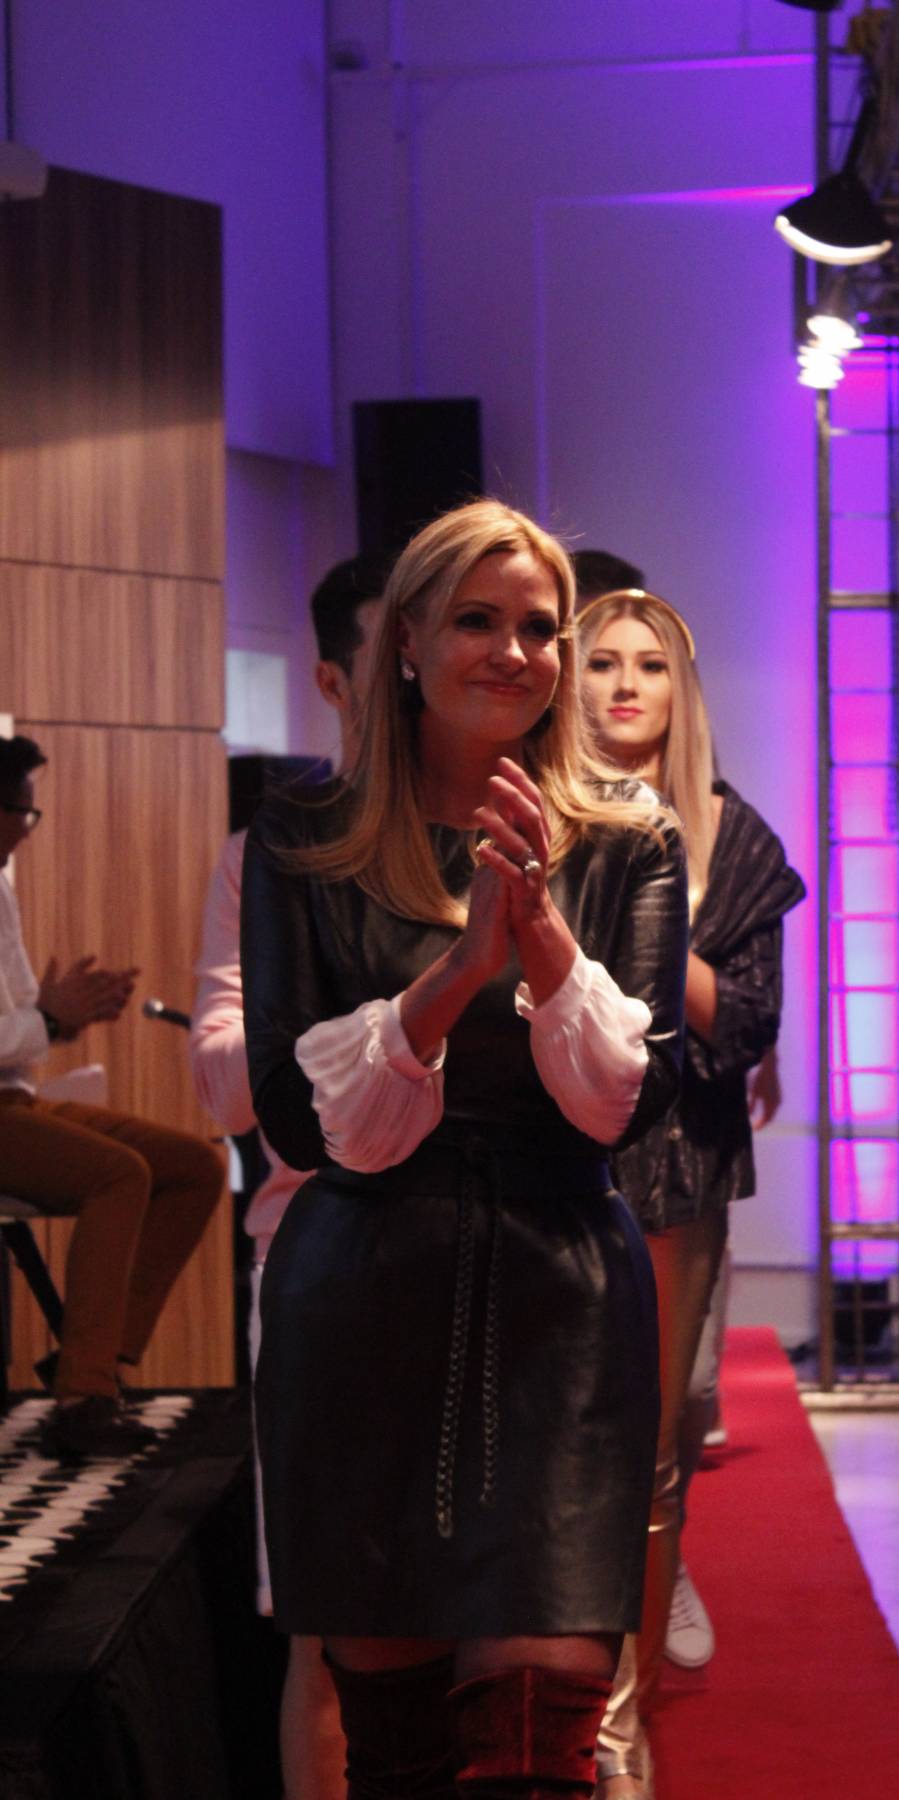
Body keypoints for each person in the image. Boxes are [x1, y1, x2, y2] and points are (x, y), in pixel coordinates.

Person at [240, 500, 689, 1799]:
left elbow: (633, 1105)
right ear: (407, 643)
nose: (516, 652)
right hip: (362, 1300)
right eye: (478, 621)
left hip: (562, 1299)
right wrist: (457, 972)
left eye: (541, 628)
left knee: (540, 1742)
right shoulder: (303, 834)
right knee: (399, 1758)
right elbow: (294, 1117)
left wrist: (542, 941)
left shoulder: (633, 836)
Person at [577, 587, 805, 1800]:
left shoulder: (731, 835)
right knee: (559, 1443)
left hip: (676, 1163)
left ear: (683, 689)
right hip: (551, 1158)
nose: (625, 684)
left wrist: (655, 905)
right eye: (602, 661)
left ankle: (625, 1721)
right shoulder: (539, 811)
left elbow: (752, 1024)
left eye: (649, 665)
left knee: (655, 1451)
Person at [190, 553, 388, 1800]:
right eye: (392, 650)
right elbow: (230, 1085)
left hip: (497, 1262)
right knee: (326, 1631)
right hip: (319, 1252)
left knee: (500, 1626)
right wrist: (373, 1036)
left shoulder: (509, 836)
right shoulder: (267, 853)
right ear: (332, 680)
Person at [0, 733, 225, 1458]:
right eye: (22, 812)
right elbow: (26, 1023)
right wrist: (49, 1017)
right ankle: (83, 1396)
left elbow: (22, 1023)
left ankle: (94, 1362)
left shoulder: (0, 887)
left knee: (194, 1166)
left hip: (14, 1100)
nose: (27, 830)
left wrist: (63, 1016)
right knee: (119, 1175)